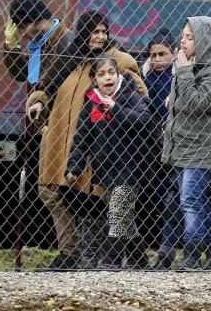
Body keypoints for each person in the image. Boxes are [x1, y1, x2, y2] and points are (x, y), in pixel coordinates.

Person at [41, 10, 147, 270]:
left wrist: (115, 107)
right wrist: (38, 102)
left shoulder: (117, 60)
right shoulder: (71, 58)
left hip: (101, 141)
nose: (100, 37)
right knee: (50, 191)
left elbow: (140, 96)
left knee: (98, 202)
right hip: (63, 140)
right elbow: (47, 88)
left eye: (103, 32)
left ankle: (94, 257)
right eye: (94, 31)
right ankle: (79, 252)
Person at [1, 0, 76, 270]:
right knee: (55, 189)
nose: (21, 33)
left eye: (21, 28)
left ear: (36, 21)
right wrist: (10, 46)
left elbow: (47, 83)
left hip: (63, 126)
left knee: (51, 189)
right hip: (50, 125)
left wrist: (37, 102)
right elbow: (23, 74)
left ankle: (72, 253)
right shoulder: (40, 44)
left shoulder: (65, 43)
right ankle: (73, 252)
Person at [66, 55, 154, 270]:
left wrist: (115, 108)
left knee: (116, 211)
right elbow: (81, 138)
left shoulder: (132, 97)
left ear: (118, 75)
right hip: (106, 170)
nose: (108, 77)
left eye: (111, 73)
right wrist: (74, 167)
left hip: (132, 169)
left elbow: (143, 121)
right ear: (95, 80)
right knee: (124, 216)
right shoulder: (91, 105)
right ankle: (138, 258)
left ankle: (111, 260)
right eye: (102, 74)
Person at [161, 16, 211, 271]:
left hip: (203, 146)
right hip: (184, 143)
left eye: (190, 38)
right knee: (194, 200)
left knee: (190, 199)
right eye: (183, 36)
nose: (183, 41)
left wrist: (183, 73)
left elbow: (197, 104)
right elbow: (181, 102)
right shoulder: (188, 66)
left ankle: (192, 253)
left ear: (206, 42)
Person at [143, 29, 182, 270]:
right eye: (153, 54)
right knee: (160, 197)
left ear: (173, 52)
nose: (157, 59)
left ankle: (167, 252)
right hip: (151, 147)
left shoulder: (177, 75)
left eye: (162, 54)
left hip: (175, 145)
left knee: (173, 199)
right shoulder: (146, 77)